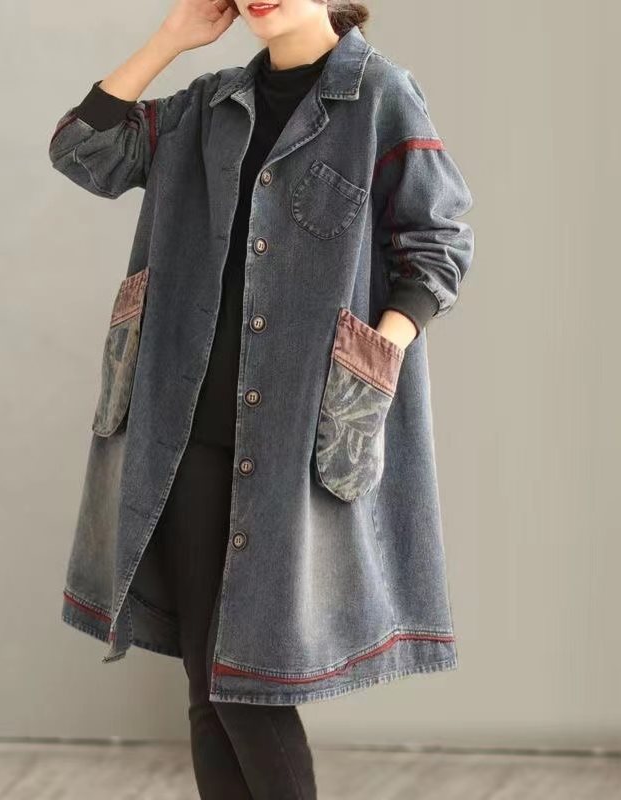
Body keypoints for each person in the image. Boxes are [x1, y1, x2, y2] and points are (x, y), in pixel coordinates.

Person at [50, 1, 475, 797]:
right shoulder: (209, 104)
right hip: (184, 432)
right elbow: (82, 150)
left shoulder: (381, 95)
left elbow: (438, 245)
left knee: (249, 691)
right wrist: (173, 38)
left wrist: (374, 356)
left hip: (295, 438)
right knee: (209, 688)